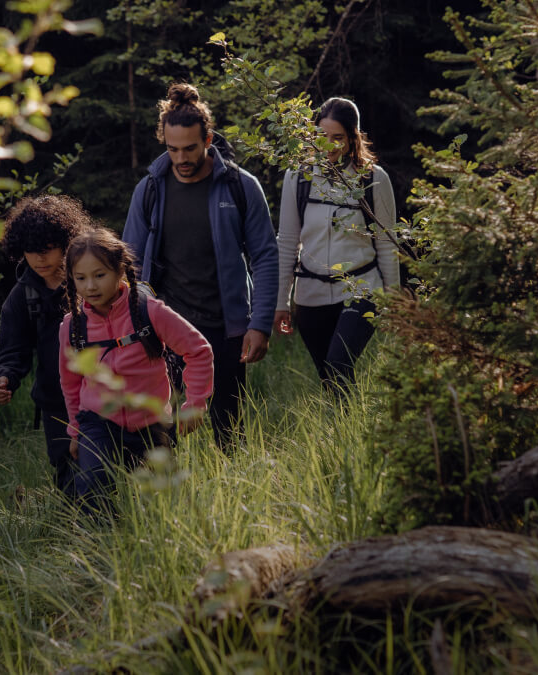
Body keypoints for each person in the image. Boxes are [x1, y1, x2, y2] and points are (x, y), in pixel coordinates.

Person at [123, 82, 278, 449]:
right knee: (161, 428)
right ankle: (165, 498)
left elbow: (265, 257)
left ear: (208, 138)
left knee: (229, 430)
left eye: (190, 148)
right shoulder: (149, 190)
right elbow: (130, 262)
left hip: (226, 328)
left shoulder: (241, 187)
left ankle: (232, 495)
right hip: (166, 330)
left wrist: (260, 324)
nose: (181, 158)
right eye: (172, 149)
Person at [58, 228, 213, 513]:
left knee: (160, 501)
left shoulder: (149, 311)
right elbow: (70, 382)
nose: (90, 286)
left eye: (99, 275)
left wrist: (196, 402)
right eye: (81, 278)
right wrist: (75, 429)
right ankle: (98, 548)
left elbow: (198, 350)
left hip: (151, 421)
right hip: (98, 421)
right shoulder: (72, 327)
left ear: (120, 270)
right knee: (93, 488)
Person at [273, 97, 399, 395]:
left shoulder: (373, 179)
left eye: (337, 138)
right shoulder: (298, 177)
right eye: (321, 136)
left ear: (353, 137)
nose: (327, 145)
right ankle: (345, 432)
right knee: (330, 380)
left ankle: (354, 431)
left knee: (339, 365)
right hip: (311, 295)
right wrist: (281, 302)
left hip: (361, 289)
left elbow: (386, 242)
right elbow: (288, 242)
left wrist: (393, 301)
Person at [0, 194, 91, 497]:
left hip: (103, 391)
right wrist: (4, 376)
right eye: (31, 252)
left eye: (47, 250)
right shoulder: (22, 297)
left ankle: (115, 522)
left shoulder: (90, 280)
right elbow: (12, 346)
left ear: (66, 241)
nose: (40, 259)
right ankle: (80, 532)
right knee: (67, 467)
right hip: (55, 399)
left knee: (108, 463)